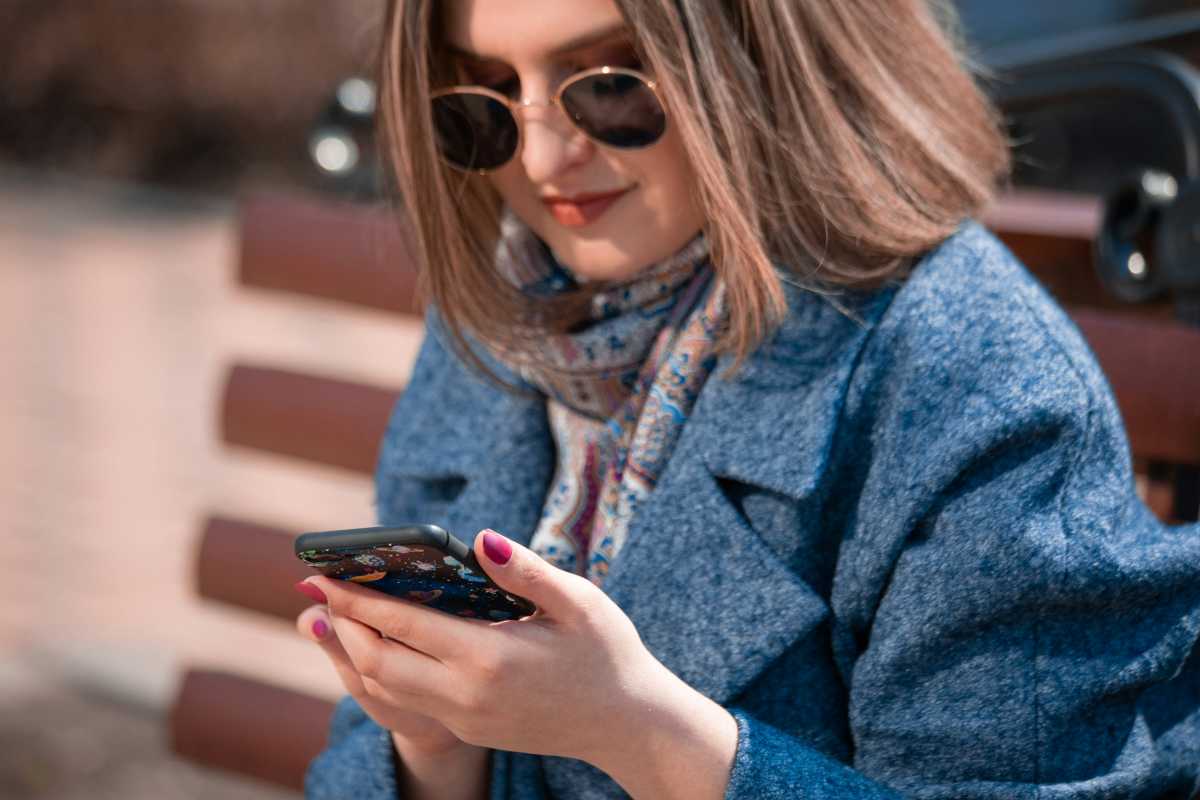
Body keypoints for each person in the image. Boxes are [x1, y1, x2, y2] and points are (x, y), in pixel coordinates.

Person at [294, 1, 1200, 798]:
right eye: (485, 98)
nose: (542, 158)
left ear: (764, 55)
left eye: (610, 81)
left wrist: (638, 731)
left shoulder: (973, 377)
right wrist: (430, 740)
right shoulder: (500, 319)